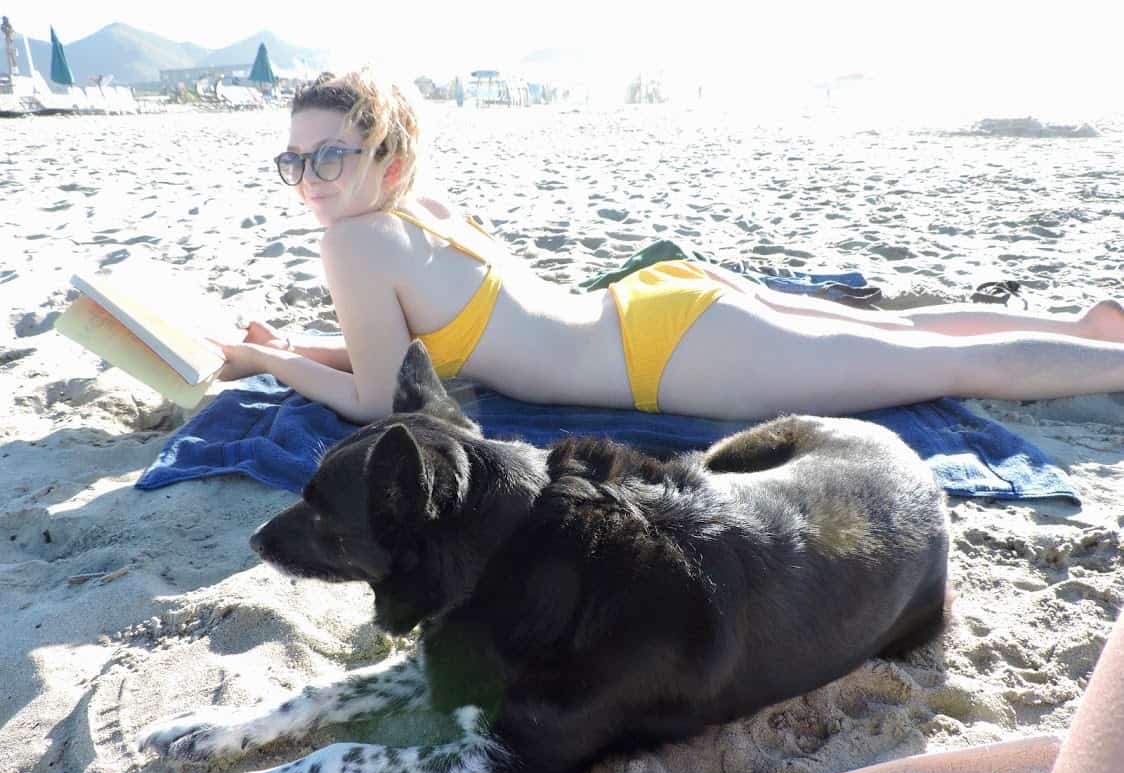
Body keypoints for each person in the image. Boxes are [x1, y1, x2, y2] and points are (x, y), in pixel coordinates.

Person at [212, 67, 1124, 425]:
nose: (313, 176)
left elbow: (381, 402)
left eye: (333, 152)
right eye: (295, 159)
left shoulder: (357, 247)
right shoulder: (417, 211)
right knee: (910, 329)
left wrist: (264, 359)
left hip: (670, 352)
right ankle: (1083, 326)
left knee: (936, 365)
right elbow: (427, 354)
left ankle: (1108, 358)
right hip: (665, 303)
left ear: (387, 155)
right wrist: (294, 349)